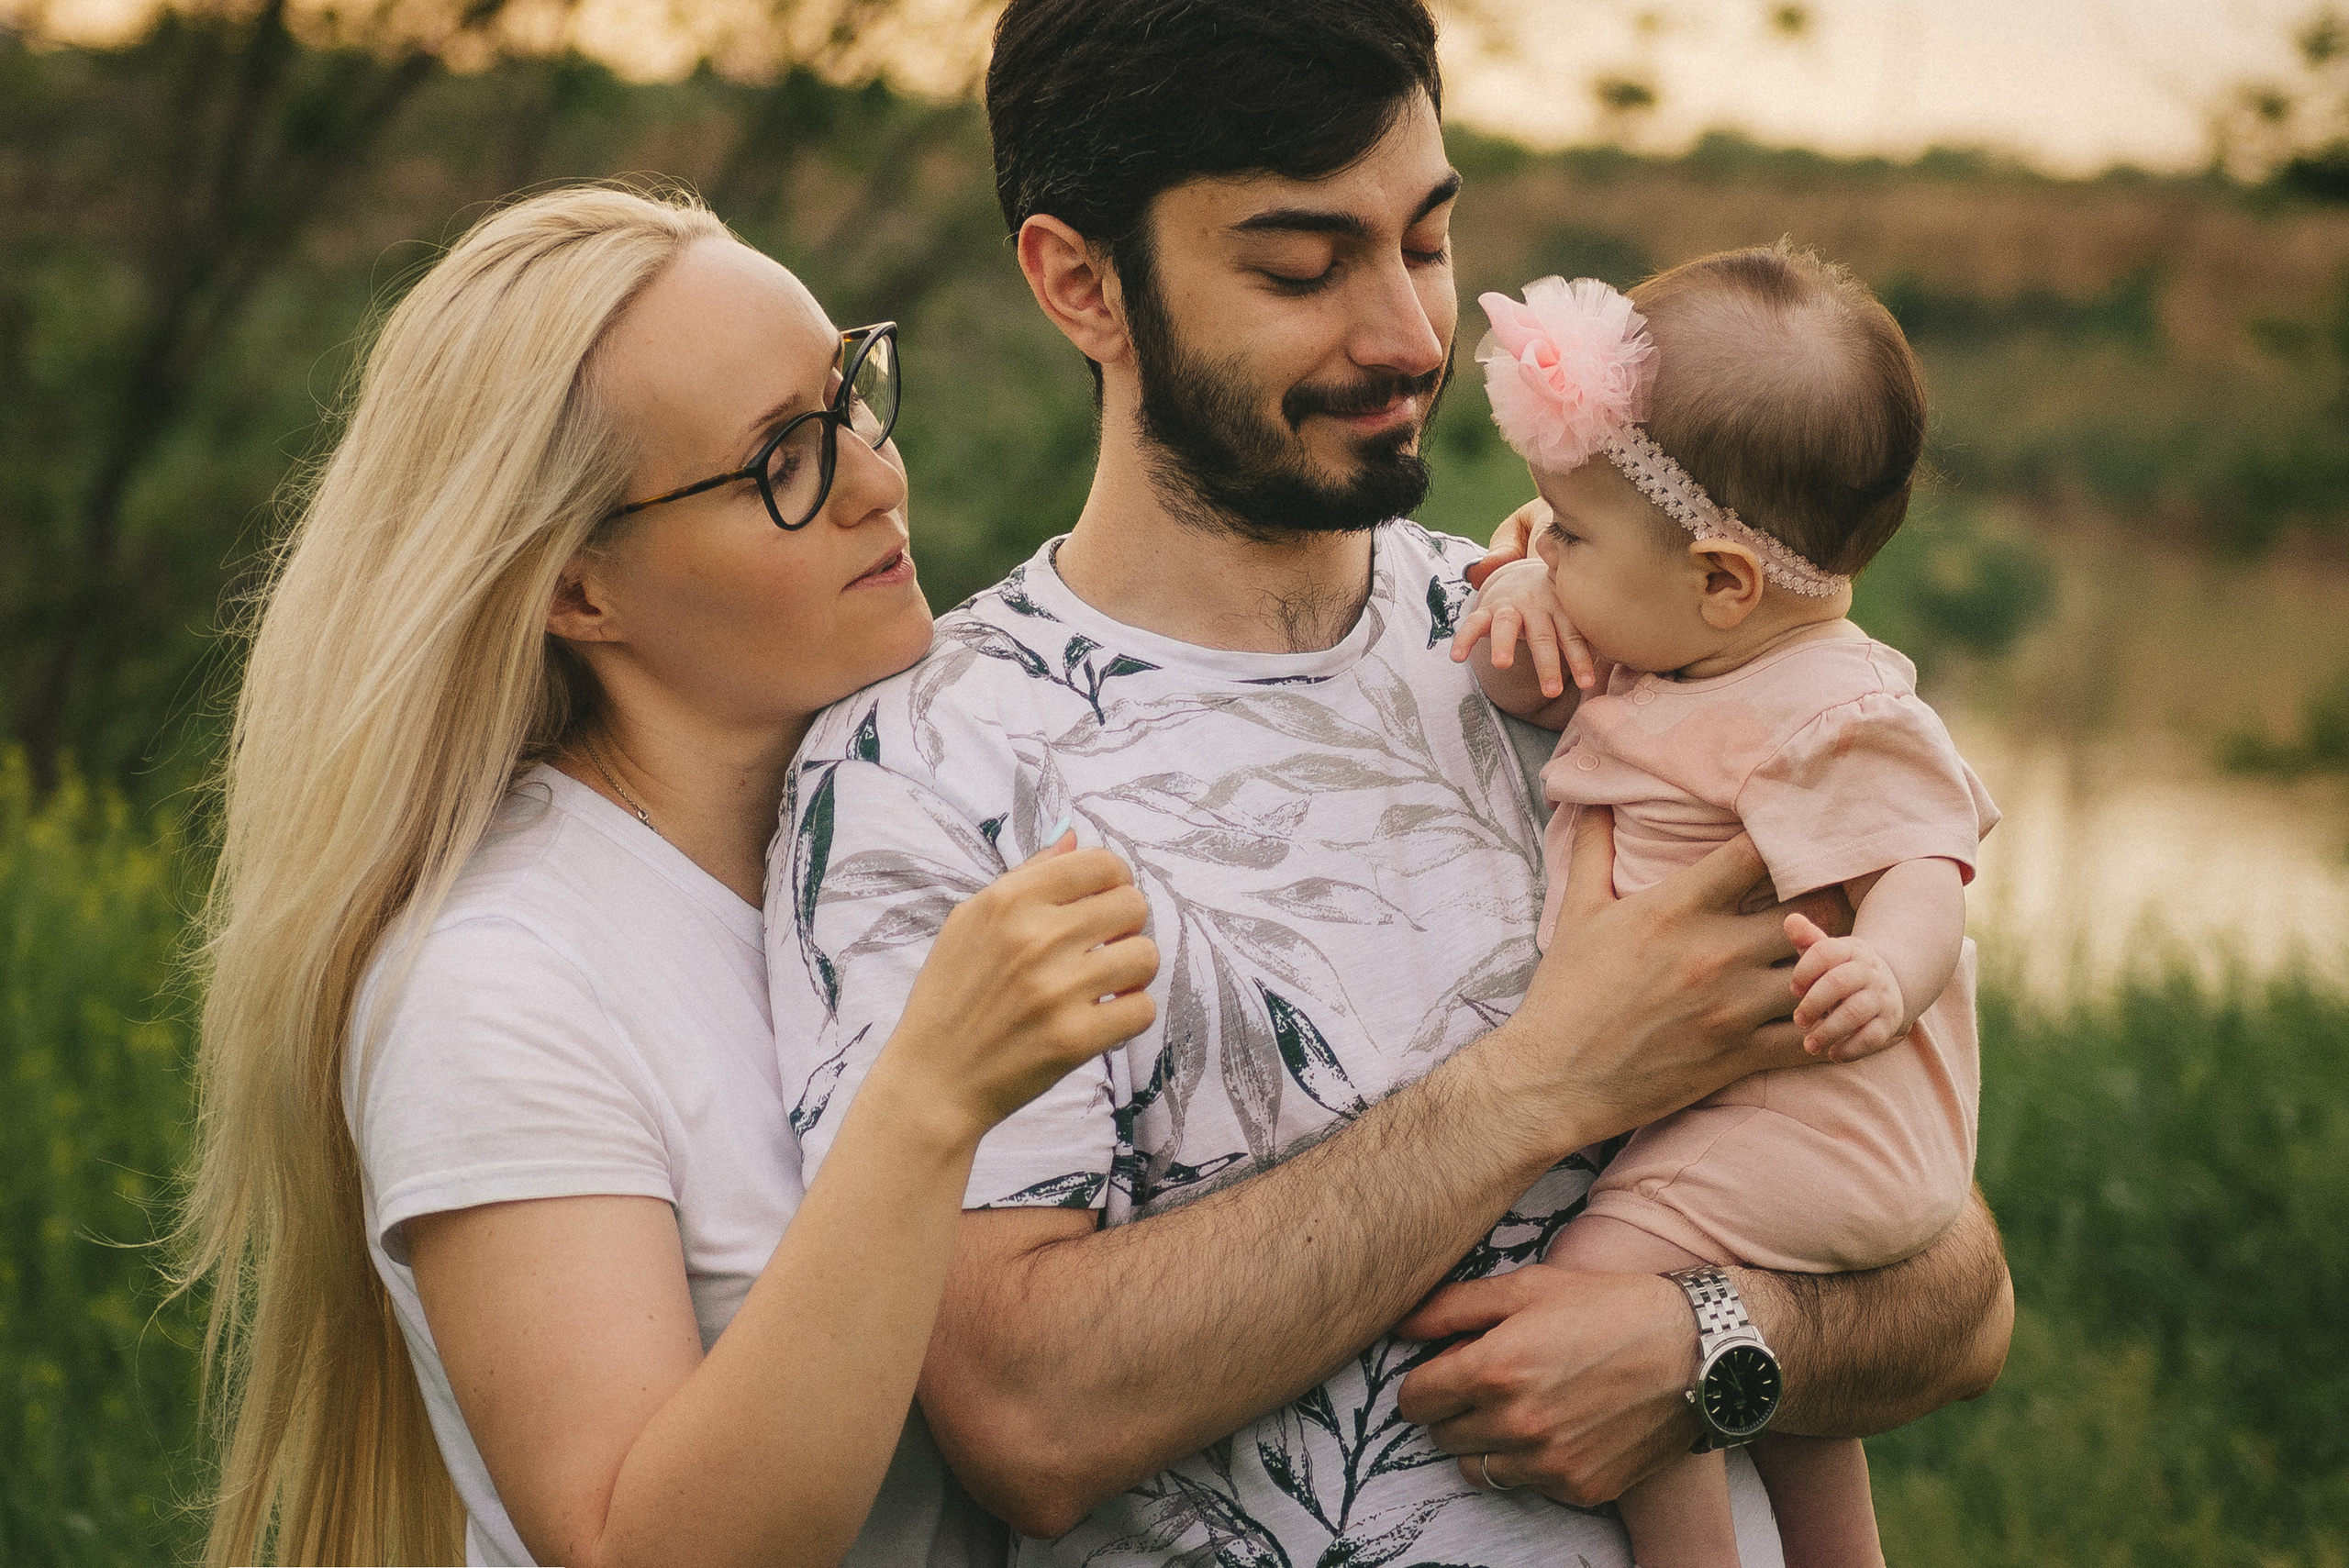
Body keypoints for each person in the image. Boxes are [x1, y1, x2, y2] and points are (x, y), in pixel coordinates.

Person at [768, 2, 2012, 1564]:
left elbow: (1954, 1283)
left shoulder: (1600, 641)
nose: (1414, 335)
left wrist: (1701, 1345)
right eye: (1302, 267)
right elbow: (1025, 1413)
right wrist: (1544, 1082)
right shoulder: (927, 768)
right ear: (1081, 283)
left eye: (1427, 243)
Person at [173, 184, 1158, 1568]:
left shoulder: (920, 810)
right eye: (782, 460)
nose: (876, 478)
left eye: (851, 397)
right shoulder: (497, 984)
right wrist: (928, 1094)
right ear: (581, 592)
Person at [1452, 251, 1996, 1567]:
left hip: (1827, 1120)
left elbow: (1928, 865)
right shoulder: (1689, 647)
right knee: (1805, 1415)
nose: (1542, 538)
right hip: (1779, 1127)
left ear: (1723, 581)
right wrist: (1535, 576)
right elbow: (1528, 678)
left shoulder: (1831, 709)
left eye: (1568, 531)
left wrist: (1889, 968)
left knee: (1605, 1294)